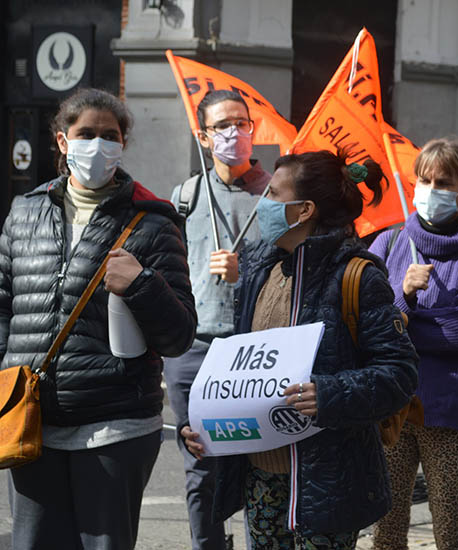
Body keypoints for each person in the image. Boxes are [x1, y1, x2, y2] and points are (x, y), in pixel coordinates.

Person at [181, 149, 419, 550]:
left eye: (273, 194)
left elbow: (399, 374)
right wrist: (204, 426)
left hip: (326, 484)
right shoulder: (260, 270)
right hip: (261, 483)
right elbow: (239, 368)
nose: (263, 204)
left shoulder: (357, 276)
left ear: (304, 209)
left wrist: (328, 394)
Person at [1, 88, 196, 549]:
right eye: (85, 133)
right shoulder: (24, 212)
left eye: (110, 135)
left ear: (122, 144)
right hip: (32, 423)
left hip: (114, 428)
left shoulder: (152, 222)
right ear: (63, 141)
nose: (98, 145)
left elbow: (179, 334)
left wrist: (142, 283)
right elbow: (3, 303)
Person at [368, 138, 458, 550]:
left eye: (443, 182)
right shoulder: (387, 244)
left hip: (452, 410)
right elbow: (363, 323)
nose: (431, 190)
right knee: (384, 528)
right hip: (391, 405)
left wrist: (398, 322)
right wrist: (402, 298)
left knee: (451, 530)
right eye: (424, 180)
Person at [165, 89, 272, 550]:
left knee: (257, 464)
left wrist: (243, 270)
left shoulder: (273, 194)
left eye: (242, 124)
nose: (235, 133)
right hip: (193, 349)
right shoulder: (186, 196)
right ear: (203, 136)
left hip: (252, 351)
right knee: (200, 467)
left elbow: (285, 273)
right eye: (223, 126)